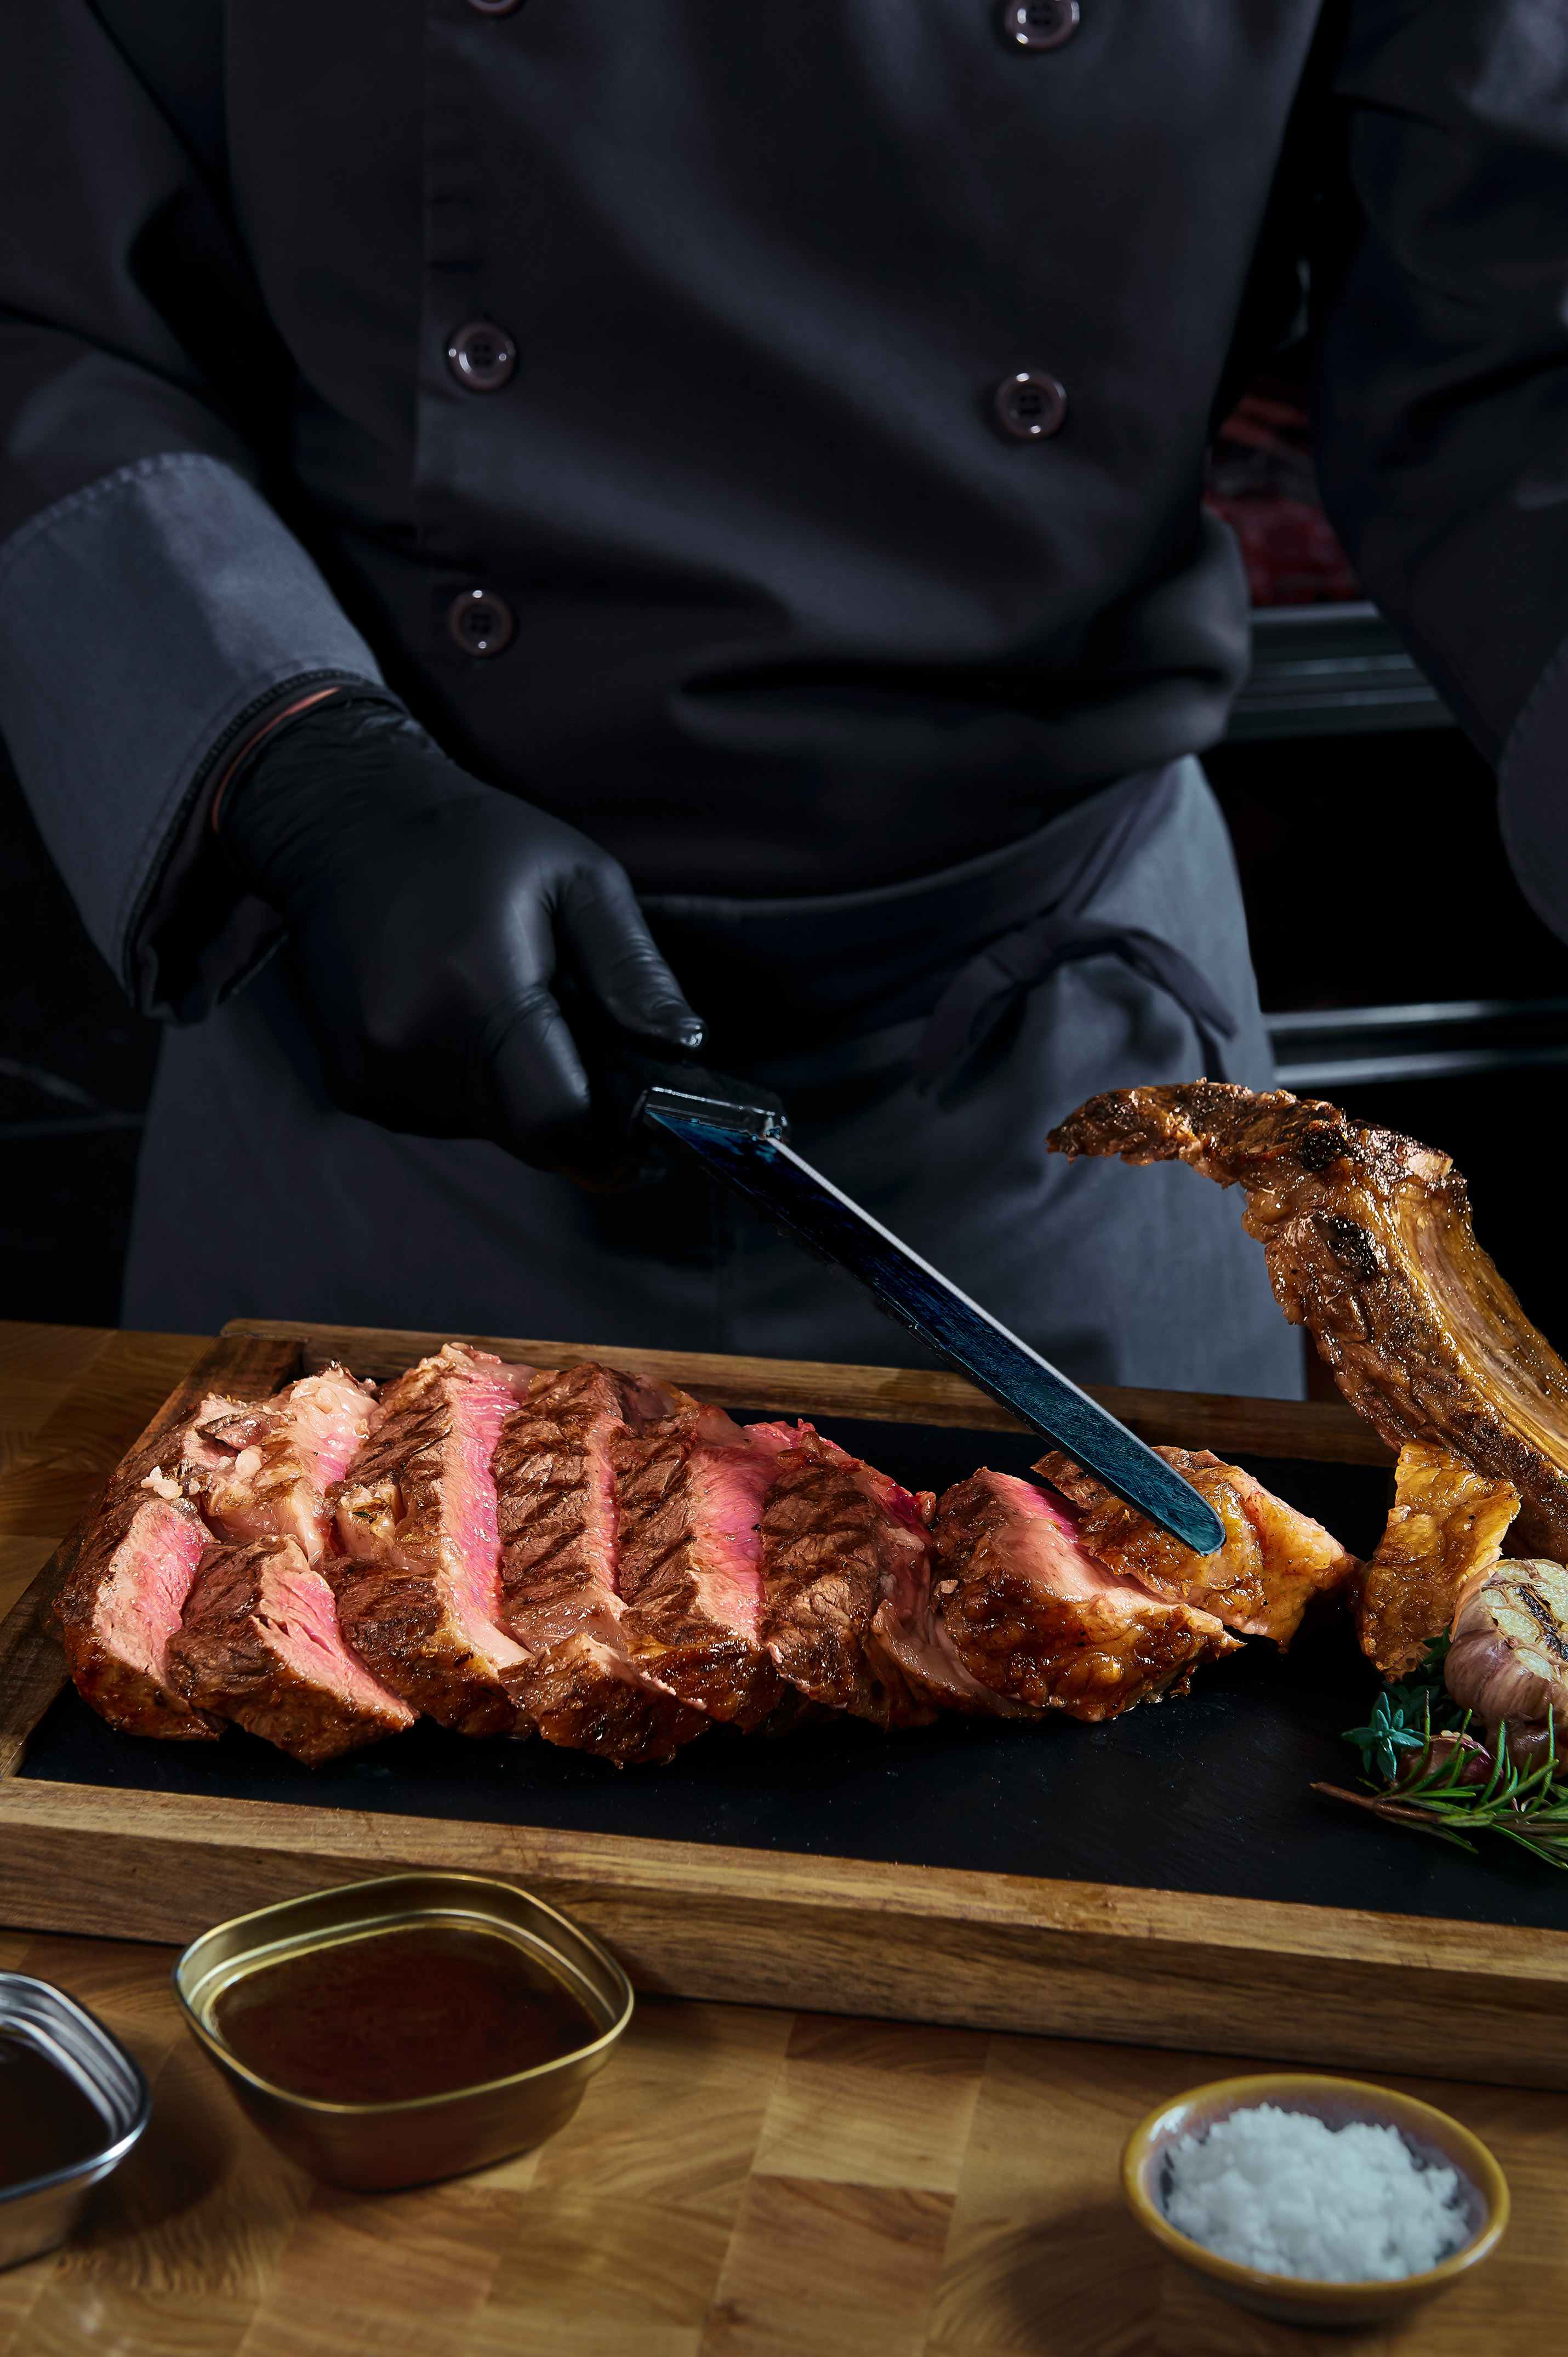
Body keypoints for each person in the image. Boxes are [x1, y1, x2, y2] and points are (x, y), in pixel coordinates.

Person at [0, 3, 1560, 1394]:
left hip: (1070, 1106)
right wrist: (292, 767)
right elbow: (44, 295)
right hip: (401, 1068)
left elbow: (1518, 349)